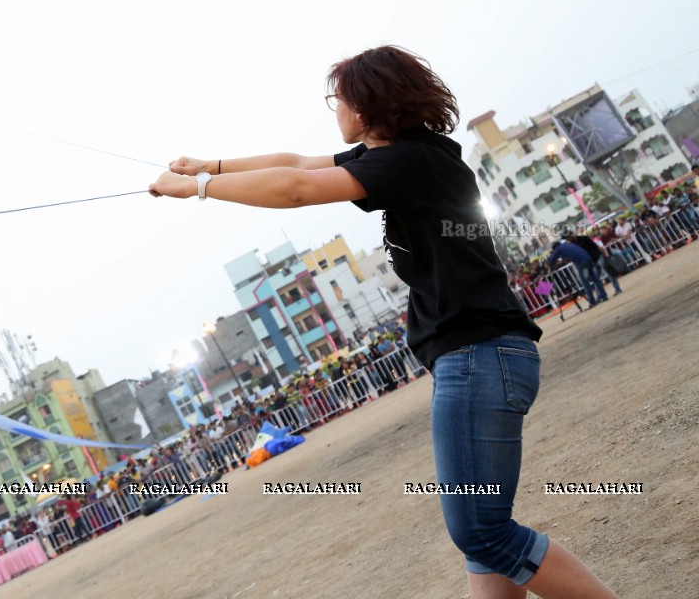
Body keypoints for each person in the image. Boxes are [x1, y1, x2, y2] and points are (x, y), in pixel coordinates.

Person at [149, 45, 618, 598]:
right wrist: (213, 166)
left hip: (479, 356)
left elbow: (296, 189)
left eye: (337, 99)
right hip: (482, 356)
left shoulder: (408, 162)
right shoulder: (412, 157)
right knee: (481, 536)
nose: (335, 110)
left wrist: (198, 190)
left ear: (368, 104)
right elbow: (297, 165)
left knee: (483, 531)